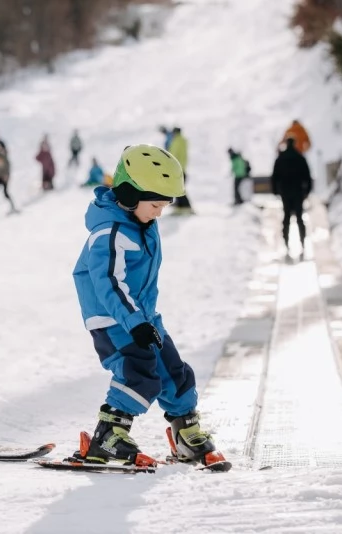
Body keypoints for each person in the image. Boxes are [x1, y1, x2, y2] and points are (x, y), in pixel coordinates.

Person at [71, 144, 226, 468]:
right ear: (128, 195)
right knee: (139, 372)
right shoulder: (110, 232)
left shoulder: (140, 223)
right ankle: (108, 435)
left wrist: (143, 320)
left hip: (142, 317)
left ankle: (185, 432)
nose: (160, 212)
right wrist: (134, 322)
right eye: (155, 204)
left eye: (164, 205)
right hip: (112, 320)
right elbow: (109, 283)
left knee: (173, 369)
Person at [271, 138, 313, 256]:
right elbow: (307, 176)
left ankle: (286, 244)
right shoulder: (300, 158)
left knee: (286, 218)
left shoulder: (281, 158)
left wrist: (275, 191)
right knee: (300, 218)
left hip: (285, 192)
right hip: (298, 191)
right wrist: (307, 191)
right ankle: (302, 243)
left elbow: (274, 176)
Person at [166, 127, 193, 214]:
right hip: (182, 167)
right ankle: (180, 206)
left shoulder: (176, 141)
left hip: (177, 168)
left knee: (179, 190)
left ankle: (186, 207)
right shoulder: (183, 140)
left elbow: (172, 154)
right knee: (178, 189)